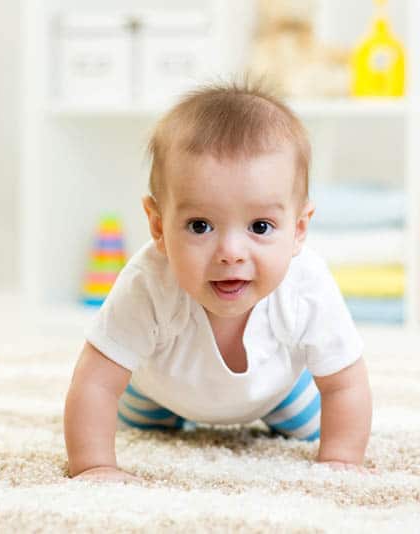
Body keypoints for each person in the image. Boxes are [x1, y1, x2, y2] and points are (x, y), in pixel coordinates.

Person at [64, 81, 373, 482]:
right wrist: (95, 466)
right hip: (160, 393)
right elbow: (95, 385)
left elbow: (345, 384)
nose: (231, 252)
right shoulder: (147, 283)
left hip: (277, 392)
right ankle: (158, 417)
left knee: (318, 426)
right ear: (158, 226)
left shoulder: (306, 284)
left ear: (298, 229)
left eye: (260, 226)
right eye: (200, 225)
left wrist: (342, 462)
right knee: (136, 421)